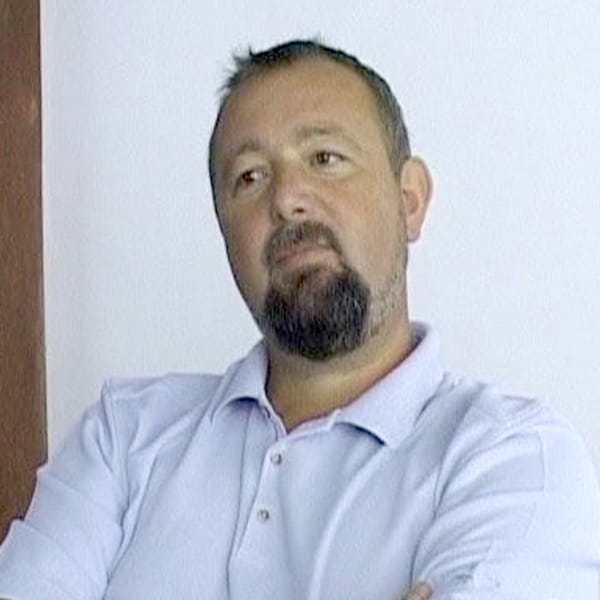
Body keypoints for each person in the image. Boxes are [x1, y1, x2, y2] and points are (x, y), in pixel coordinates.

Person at [0, 39, 598, 600]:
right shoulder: (123, 438)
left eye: (325, 158)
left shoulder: (513, 457)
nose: (286, 199)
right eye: (249, 177)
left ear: (410, 200)